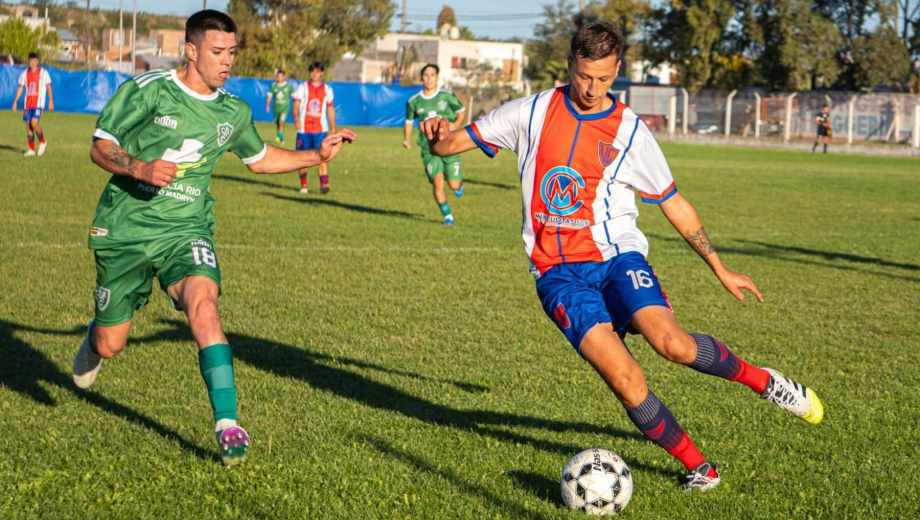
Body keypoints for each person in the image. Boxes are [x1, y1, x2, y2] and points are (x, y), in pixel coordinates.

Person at [420, 21, 824, 491]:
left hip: (617, 259)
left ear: (617, 72)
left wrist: (720, 267)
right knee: (626, 380)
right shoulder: (528, 113)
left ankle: (766, 382)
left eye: (605, 79)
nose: (593, 89)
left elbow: (673, 201)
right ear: (570, 64)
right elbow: (450, 144)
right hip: (557, 274)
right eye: (586, 76)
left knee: (673, 345)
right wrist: (436, 135)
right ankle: (699, 466)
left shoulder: (629, 129)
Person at [72, 10, 357, 466]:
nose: (227, 62)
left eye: (232, 53)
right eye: (218, 52)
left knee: (203, 304)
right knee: (111, 343)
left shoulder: (231, 111)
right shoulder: (149, 91)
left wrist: (315, 155)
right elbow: (100, 144)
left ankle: (227, 423)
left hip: (186, 228)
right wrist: (139, 168)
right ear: (191, 50)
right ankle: (95, 339)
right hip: (126, 228)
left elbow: (260, 158)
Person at [403, 64, 466, 225]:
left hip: (450, 147)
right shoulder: (413, 101)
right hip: (428, 150)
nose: (429, 78)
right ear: (421, 78)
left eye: (432, 75)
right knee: (438, 182)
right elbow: (409, 121)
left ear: (437, 77)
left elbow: (461, 111)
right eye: (426, 75)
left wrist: (455, 126)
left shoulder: (446, 96)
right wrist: (407, 139)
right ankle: (447, 215)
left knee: (453, 184)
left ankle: (458, 186)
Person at [292, 62, 336, 194]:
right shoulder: (302, 88)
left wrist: (333, 127)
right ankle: (304, 185)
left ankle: (324, 185)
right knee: (302, 159)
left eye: (317, 72)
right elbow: (295, 106)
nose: (314, 74)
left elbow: (330, 109)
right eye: (312, 71)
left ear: (322, 73)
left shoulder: (327, 89)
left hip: (320, 131)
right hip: (304, 131)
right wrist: (296, 121)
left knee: (322, 157)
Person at [11, 52, 54, 157]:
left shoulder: (44, 73)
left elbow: (48, 86)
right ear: (28, 61)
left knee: (34, 123)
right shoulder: (24, 74)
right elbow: (20, 87)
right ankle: (31, 149)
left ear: (37, 61)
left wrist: (51, 101)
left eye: (34, 61)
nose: (33, 63)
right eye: (31, 61)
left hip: (38, 103)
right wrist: (15, 101)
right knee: (28, 127)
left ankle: (43, 142)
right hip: (28, 104)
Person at [265, 69, 294, 143]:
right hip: (276, 108)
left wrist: (295, 106)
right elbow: (269, 96)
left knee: (281, 122)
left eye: (281, 76)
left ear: (284, 77)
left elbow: (294, 97)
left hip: (285, 108)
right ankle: (281, 138)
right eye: (278, 76)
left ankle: (278, 139)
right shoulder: (273, 86)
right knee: (278, 124)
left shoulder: (288, 86)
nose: (279, 78)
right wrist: (267, 105)